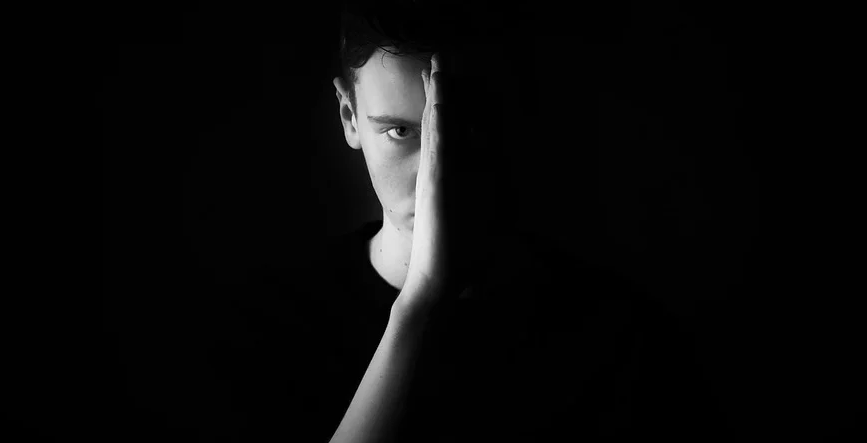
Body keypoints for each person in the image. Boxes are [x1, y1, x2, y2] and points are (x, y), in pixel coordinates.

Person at [224, 1, 726, 442]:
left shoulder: (621, 343)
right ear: (349, 117)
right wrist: (416, 304)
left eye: (462, 125)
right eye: (400, 131)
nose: (436, 169)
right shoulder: (274, 333)